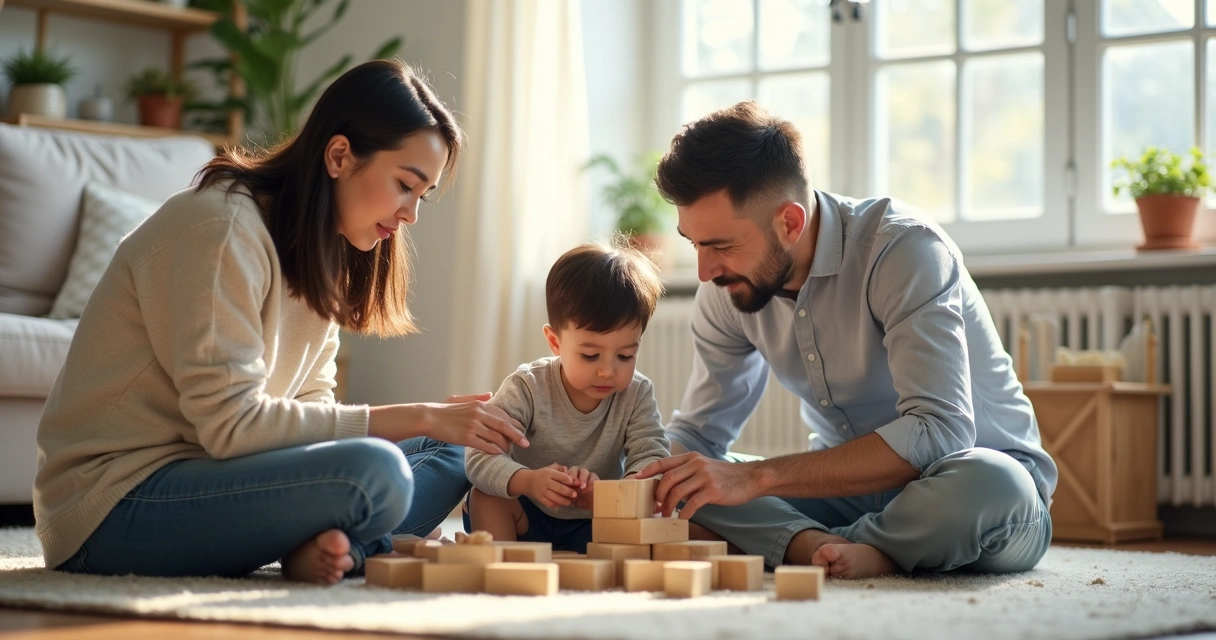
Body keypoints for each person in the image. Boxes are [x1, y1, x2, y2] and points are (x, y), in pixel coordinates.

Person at [34, 59, 528, 585]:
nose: (411, 214)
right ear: (339, 155)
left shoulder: (324, 251)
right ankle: (352, 545)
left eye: (422, 195)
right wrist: (416, 415)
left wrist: (431, 427)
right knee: (376, 474)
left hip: (218, 476)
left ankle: (332, 545)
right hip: (114, 504)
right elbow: (230, 426)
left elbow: (312, 401)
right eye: (406, 185)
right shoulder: (222, 229)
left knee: (459, 448)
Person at [634, 101, 1058, 580]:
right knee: (675, 474)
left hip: (967, 491)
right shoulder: (729, 287)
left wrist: (757, 477)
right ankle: (830, 547)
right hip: (840, 498)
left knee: (993, 481)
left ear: (789, 223)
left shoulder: (905, 250)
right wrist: (634, 474)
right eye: (694, 243)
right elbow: (700, 435)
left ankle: (822, 545)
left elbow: (941, 433)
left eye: (721, 246)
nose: (704, 271)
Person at [465, 240, 670, 553]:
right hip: (525, 517)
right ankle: (503, 570)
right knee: (486, 496)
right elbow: (479, 456)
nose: (607, 371)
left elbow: (652, 462)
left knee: (646, 524)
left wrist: (607, 495)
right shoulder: (527, 386)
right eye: (590, 355)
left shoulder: (637, 394)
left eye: (625, 356)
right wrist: (528, 481)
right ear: (554, 341)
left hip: (593, 521)